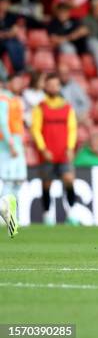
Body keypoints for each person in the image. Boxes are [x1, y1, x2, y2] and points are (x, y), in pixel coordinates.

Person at [31, 74, 79, 225]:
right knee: (46, 184)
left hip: (63, 152)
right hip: (47, 153)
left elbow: (72, 129)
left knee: (69, 179)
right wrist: (42, 148)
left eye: (55, 85)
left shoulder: (67, 107)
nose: (53, 88)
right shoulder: (40, 108)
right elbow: (35, 129)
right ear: (45, 87)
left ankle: (71, 214)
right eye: (50, 85)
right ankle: (47, 216)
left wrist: (70, 147)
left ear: (59, 87)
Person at [0, 75, 25, 237]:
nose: (19, 83)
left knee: (18, 179)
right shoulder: (3, 98)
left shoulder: (14, 99)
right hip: (8, 144)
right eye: (16, 81)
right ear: (8, 83)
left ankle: (13, 218)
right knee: (9, 180)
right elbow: (2, 122)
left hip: (17, 140)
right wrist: (10, 143)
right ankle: (5, 217)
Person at [0, 0, 25, 74]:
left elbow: (14, 31)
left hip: (9, 39)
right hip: (2, 42)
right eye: (3, 3)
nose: (5, 5)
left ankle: (20, 69)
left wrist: (5, 34)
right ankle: (19, 69)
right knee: (10, 44)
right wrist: (7, 34)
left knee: (18, 44)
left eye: (7, 3)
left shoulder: (11, 16)